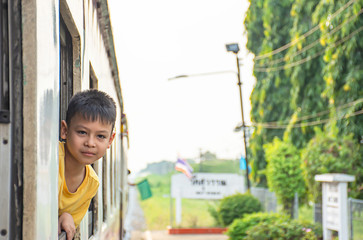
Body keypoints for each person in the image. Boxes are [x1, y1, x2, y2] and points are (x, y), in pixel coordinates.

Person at [58, 89, 116, 240]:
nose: (90, 143)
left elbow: (70, 225)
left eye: (100, 136)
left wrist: (66, 216)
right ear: (65, 130)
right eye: (82, 132)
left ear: (110, 140)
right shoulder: (51, 160)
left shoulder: (92, 184)